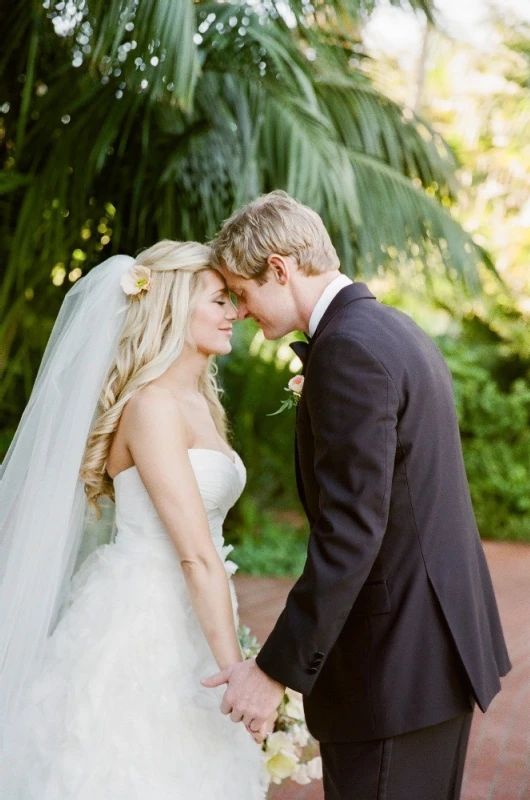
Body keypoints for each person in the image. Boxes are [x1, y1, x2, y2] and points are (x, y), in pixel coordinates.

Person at [203, 191, 511, 800]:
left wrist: (273, 671)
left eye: (242, 291)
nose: (240, 310)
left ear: (281, 269)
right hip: (432, 655)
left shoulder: (346, 350)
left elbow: (351, 531)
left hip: (392, 669)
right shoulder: (394, 328)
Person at [0, 241, 270, 799]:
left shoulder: (199, 402)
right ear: (172, 306)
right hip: (142, 624)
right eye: (220, 299)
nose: (236, 312)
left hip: (193, 618)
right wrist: (238, 676)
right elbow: (195, 555)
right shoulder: (151, 407)